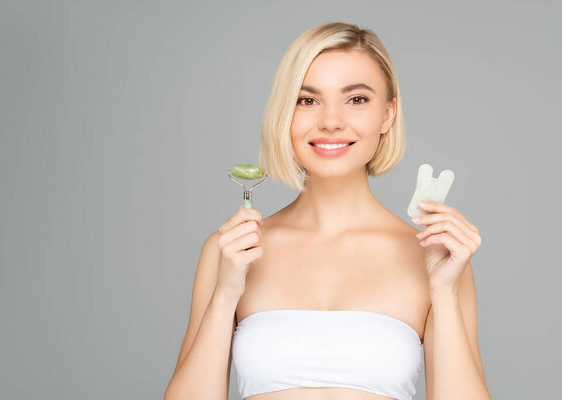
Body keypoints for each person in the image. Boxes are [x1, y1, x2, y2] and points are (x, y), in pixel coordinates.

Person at [164, 21, 491, 400]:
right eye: (307, 100)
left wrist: (444, 292)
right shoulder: (229, 251)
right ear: (284, 113)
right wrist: (225, 296)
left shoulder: (436, 256)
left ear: (388, 114)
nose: (331, 121)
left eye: (356, 99)